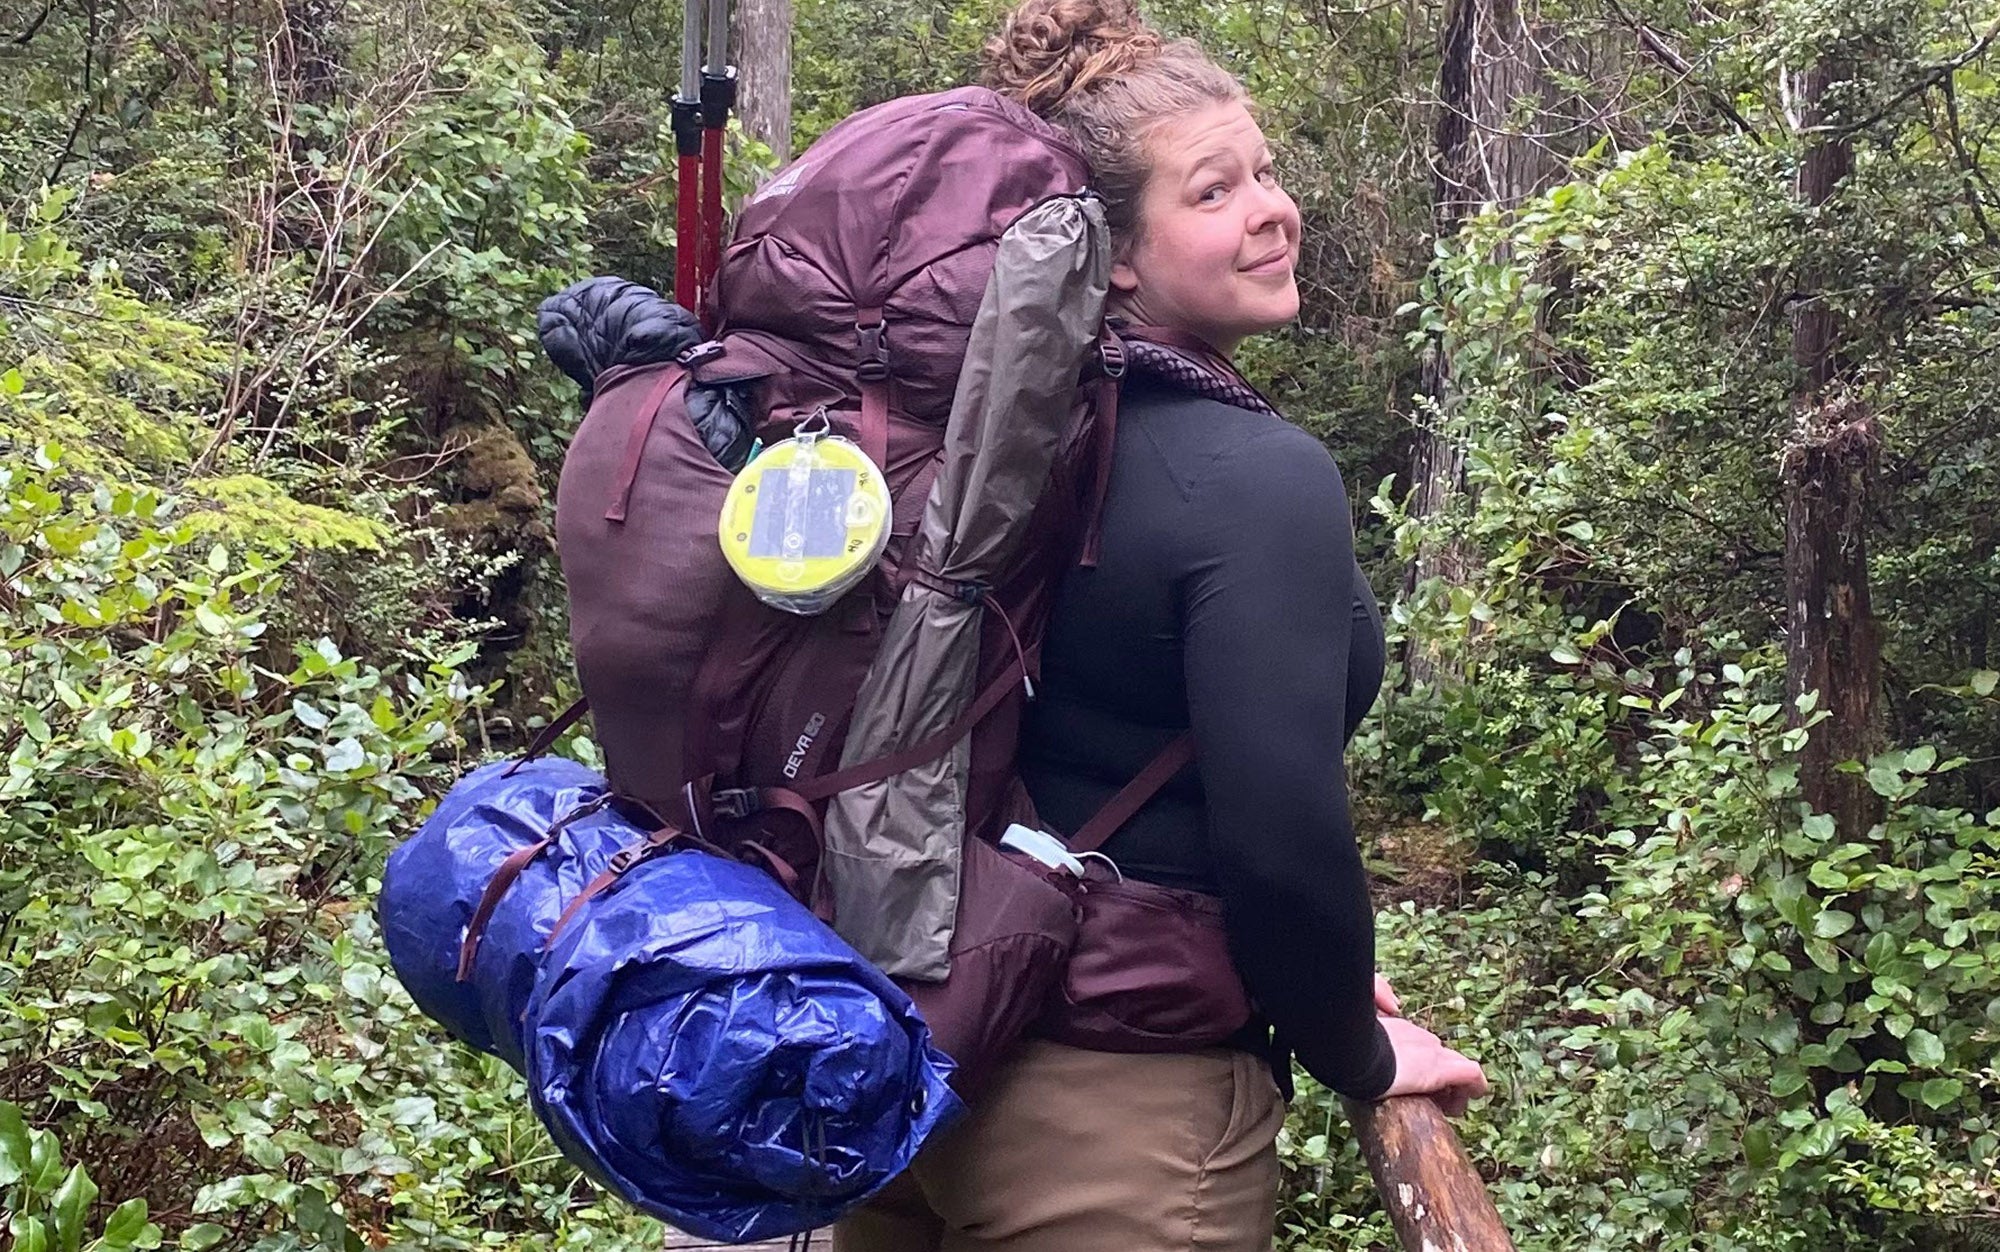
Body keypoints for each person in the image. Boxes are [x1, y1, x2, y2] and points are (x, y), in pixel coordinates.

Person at [832, 2, 1488, 1248]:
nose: (1271, 207)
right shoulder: (1256, 479)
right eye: (1213, 190)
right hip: (1120, 1121)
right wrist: (1352, 1046)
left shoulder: (978, 450)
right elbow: (1281, 839)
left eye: (1265, 170)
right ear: (1112, 255)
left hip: (916, 1064)